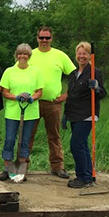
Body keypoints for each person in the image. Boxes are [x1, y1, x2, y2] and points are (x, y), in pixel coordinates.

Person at [28, 26, 76, 179]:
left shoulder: (60, 55)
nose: (44, 41)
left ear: (51, 39)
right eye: (41, 37)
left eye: (47, 38)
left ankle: (57, 167)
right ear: (37, 38)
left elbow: (75, 75)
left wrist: (66, 95)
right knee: (27, 135)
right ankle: (22, 167)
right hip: (32, 102)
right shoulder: (29, 54)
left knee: (54, 136)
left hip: (53, 103)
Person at [64, 42, 107, 188]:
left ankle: (83, 177)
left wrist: (97, 87)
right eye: (79, 53)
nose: (81, 56)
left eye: (85, 53)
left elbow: (102, 94)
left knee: (76, 145)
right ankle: (88, 175)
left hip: (87, 114)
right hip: (74, 114)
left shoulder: (95, 72)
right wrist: (65, 115)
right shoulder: (73, 74)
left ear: (90, 56)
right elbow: (70, 95)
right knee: (82, 145)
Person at [0, 43, 43, 181]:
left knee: (25, 141)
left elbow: (39, 92)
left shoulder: (36, 71)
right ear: (16, 55)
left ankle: (22, 169)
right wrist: (16, 97)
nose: (22, 56)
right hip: (13, 112)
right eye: (20, 53)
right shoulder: (9, 71)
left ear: (29, 56)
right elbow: (5, 92)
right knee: (10, 139)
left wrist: (31, 99)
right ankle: (7, 168)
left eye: (25, 54)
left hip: (30, 112)